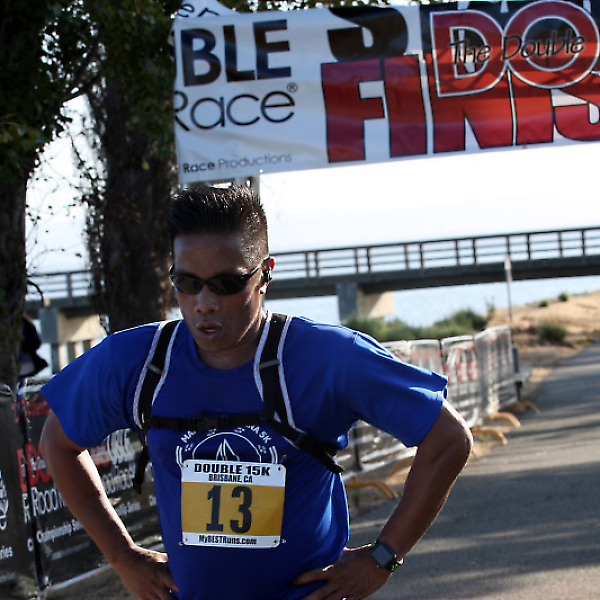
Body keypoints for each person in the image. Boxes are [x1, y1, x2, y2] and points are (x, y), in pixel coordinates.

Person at [40, 185, 473, 600]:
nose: (204, 302)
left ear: (265, 274)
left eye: (225, 284)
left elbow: (448, 437)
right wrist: (123, 556)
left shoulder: (326, 357)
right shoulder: (136, 361)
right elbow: (58, 443)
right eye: (187, 283)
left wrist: (382, 558)